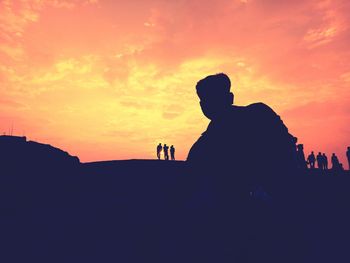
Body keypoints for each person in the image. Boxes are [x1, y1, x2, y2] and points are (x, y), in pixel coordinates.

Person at [186, 73, 301, 262]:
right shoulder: (257, 114)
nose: (205, 105)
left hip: (263, 208)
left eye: (208, 100)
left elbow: (285, 149)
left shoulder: (252, 117)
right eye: (204, 100)